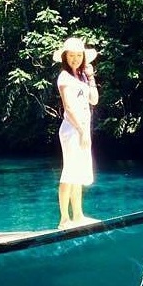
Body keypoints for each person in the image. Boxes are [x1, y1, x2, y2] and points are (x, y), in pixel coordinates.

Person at [53, 36, 99, 228]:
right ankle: (64, 219)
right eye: (72, 55)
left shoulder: (81, 77)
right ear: (65, 57)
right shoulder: (64, 78)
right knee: (69, 173)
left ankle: (78, 215)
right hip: (73, 129)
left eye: (79, 55)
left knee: (78, 174)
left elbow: (94, 100)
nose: (75, 58)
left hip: (82, 129)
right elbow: (69, 109)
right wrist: (82, 131)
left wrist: (90, 76)